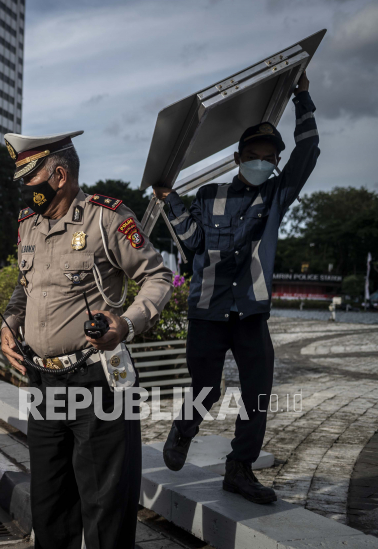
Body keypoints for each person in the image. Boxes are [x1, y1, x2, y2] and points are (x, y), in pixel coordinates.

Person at [0, 131, 173, 549]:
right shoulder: (29, 225)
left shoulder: (106, 218)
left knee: (105, 509)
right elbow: (27, 287)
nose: (24, 187)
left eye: (30, 177)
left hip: (95, 382)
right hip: (43, 384)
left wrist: (126, 325)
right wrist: (9, 323)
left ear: (59, 176)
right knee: (50, 506)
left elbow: (157, 276)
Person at [154, 72, 319, 504]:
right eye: (254, 154)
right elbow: (190, 243)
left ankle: (239, 469)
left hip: (250, 314)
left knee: (256, 393)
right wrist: (169, 199)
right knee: (206, 389)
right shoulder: (209, 196)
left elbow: (308, 152)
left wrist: (303, 98)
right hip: (207, 313)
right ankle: (185, 428)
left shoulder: (277, 194)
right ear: (237, 157)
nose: (262, 161)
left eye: (269, 156)